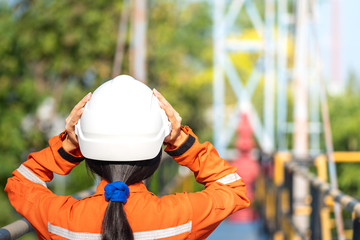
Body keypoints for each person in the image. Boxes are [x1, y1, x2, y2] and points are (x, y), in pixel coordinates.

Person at [5, 75, 250, 240]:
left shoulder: (63, 220)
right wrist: (179, 140)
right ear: (157, 151)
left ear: (88, 152)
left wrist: (68, 145)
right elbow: (233, 189)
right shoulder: (178, 218)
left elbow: (20, 184)